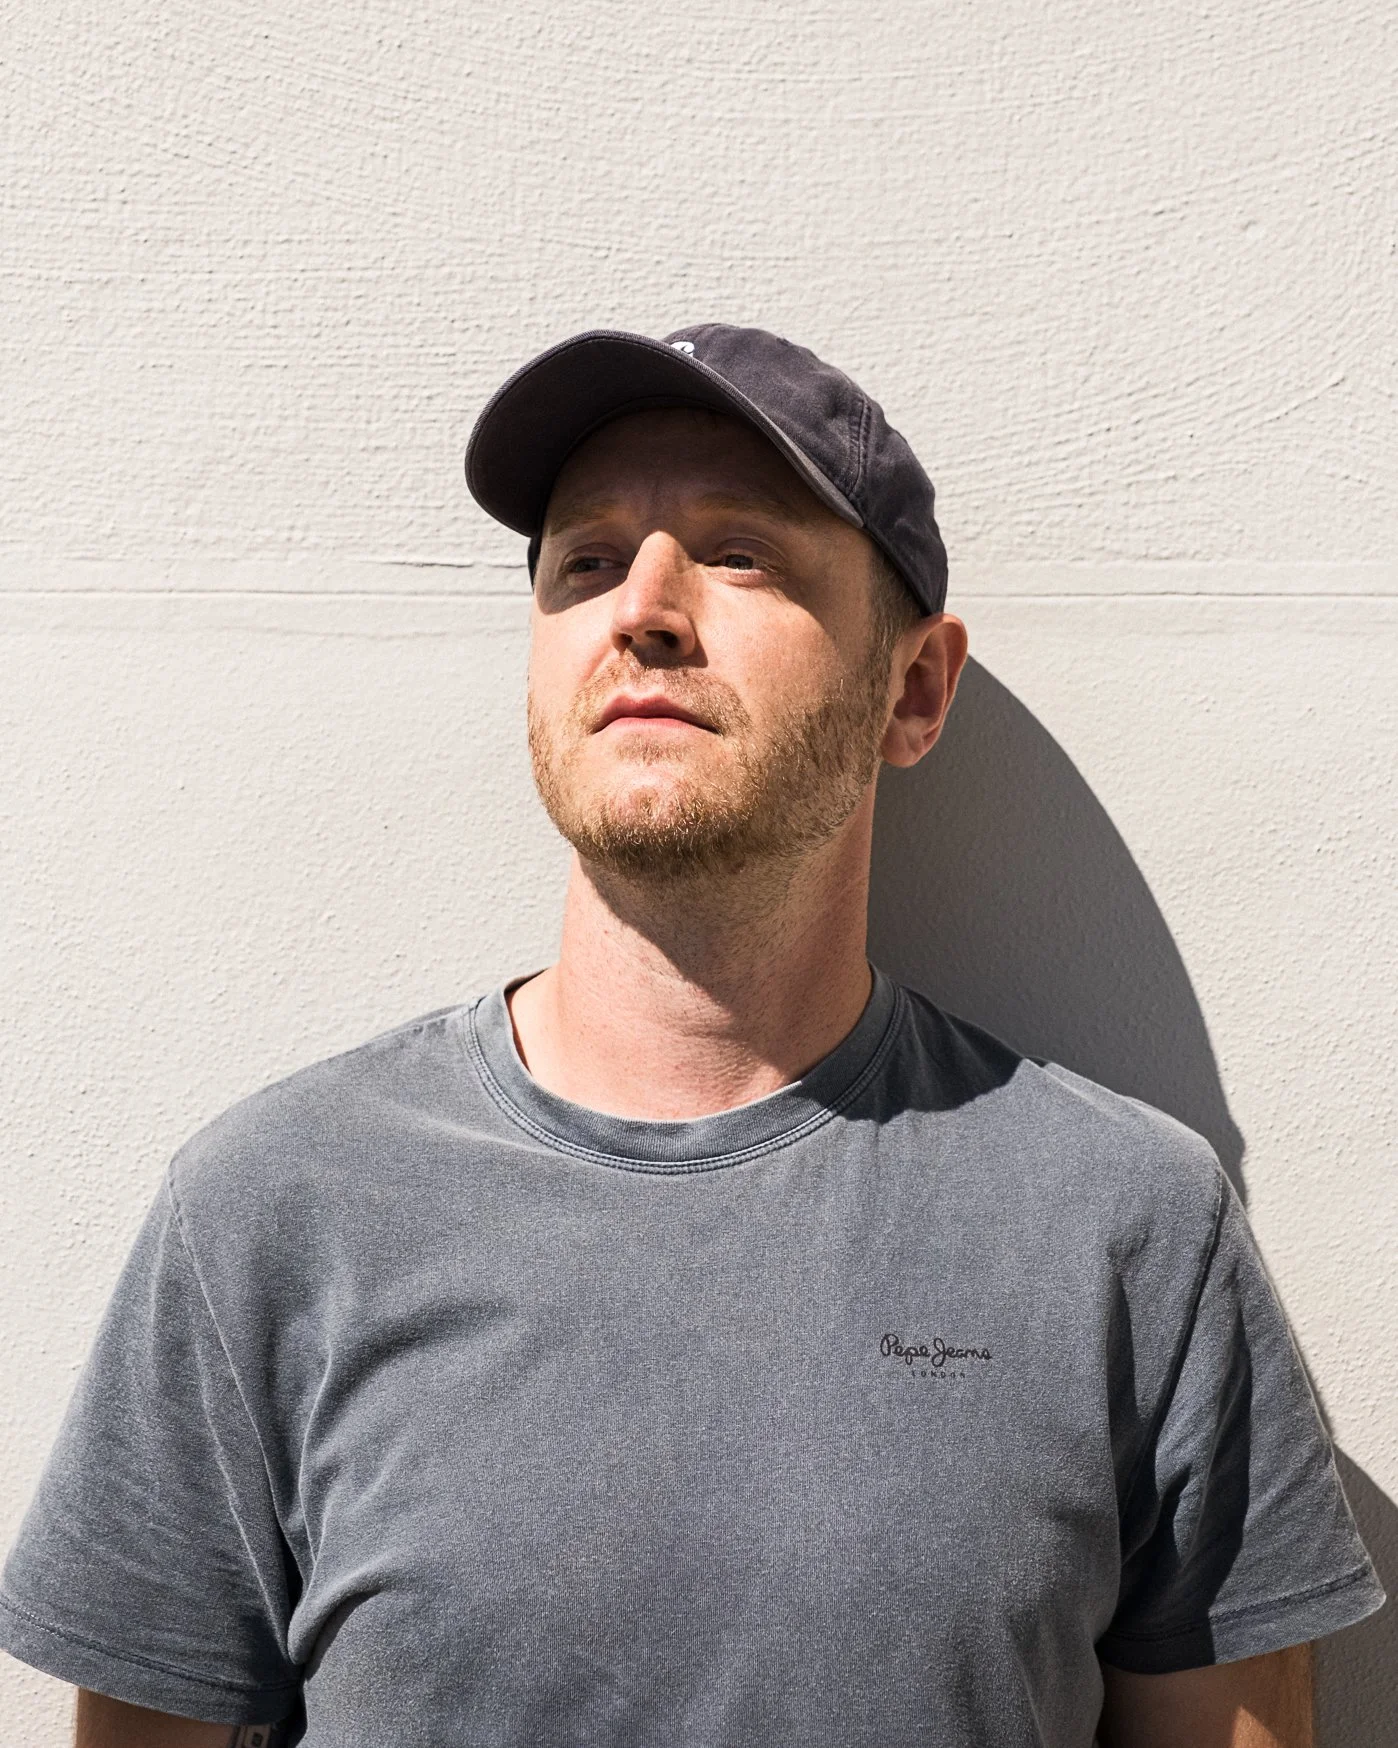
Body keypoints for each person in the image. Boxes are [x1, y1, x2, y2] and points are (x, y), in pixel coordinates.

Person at [0, 325, 1383, 1748]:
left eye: (740, 554)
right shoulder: (273, 1211)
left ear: (913, 689)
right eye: (586, 562)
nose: (643, 611)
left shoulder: (1123, 1226)